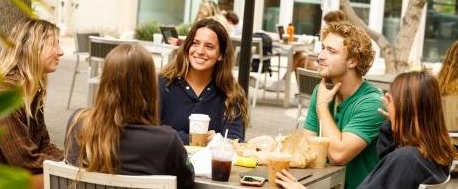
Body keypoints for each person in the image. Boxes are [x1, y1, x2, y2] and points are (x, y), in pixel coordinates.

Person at [277, 71, 456, 189]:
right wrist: (394, 126)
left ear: (409, 110)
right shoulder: (438, 153)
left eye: (393, 97)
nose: (386, 99)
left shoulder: (405, 160)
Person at [64, 44, 194, 188]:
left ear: (105, 81)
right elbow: (187, 182)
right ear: (150, 86)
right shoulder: (166, 141)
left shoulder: (77, 122)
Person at [0, 18, 64, 174]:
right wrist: (67, 167)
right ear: (33, 48)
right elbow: (24, 161)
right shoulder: (4, 95)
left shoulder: (31, 89)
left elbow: (43, 144)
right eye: (54, 44)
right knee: (66, 183)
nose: (61, 52)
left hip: (8, 169)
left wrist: (71, 160)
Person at [302, 18, 385, 189]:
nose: (321, 56)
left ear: (353, 61)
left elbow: (337, 156)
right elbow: (305, 147)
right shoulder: (322, 90)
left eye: (331, 51)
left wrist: (322, 108)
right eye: (323, 48)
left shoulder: (372, 103)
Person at [159, 18, 249, 144]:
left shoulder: (232, 93)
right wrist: (193, 139)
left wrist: (219, 140)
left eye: (209, 46)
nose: (200, 51)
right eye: (195, 43)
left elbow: (235, 140)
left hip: (210, 163)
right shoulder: (164, 84)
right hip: (167, 163)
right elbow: (151, 129)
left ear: (221, 55)